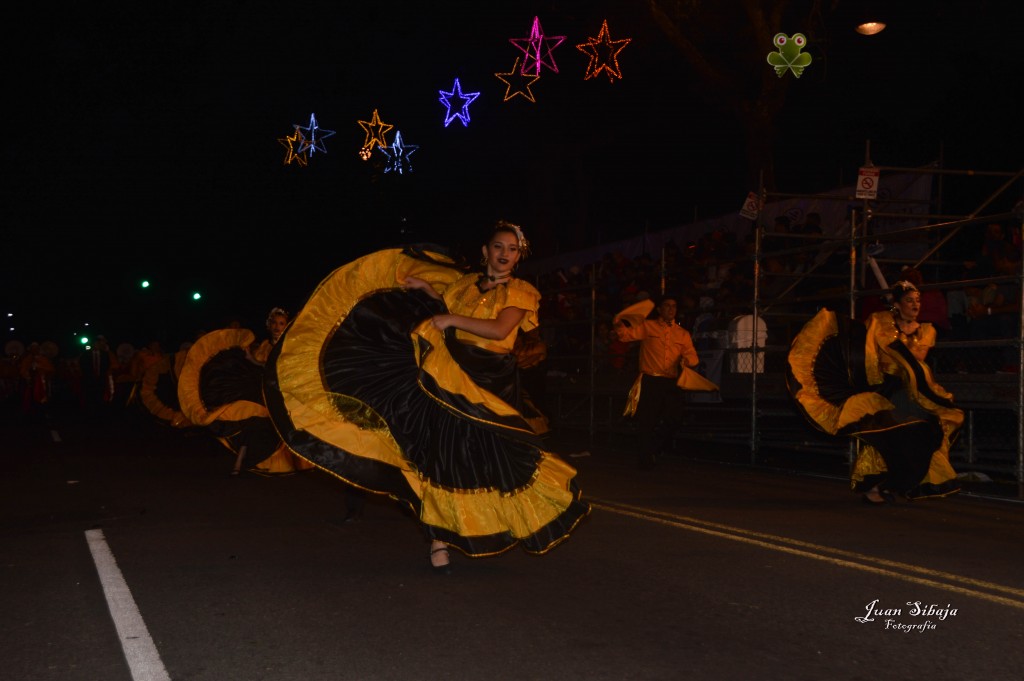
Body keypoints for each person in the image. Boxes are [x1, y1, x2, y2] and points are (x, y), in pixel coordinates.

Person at [263, 221, 590, 574]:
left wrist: (449, 318)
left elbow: (499, 329)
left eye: (512, 249)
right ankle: (439, 540)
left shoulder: (521, 291)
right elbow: (446, 303)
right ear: (485, 251)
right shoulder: (464, 283)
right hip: (446, 373)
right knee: (443, 455)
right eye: (498, 247)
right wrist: (427, 290)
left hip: (490, 382)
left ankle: (492, 521)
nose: (504, 254)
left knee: (492, 461)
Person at [787, 280, 963, 504]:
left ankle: (895, 484)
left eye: (918, 300)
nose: (915, 305)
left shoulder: (926, 330)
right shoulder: (880, 322)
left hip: (917, 390)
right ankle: (875, 487)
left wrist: (897, 346)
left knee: (925, 431)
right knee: (887, 434)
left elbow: (916, 359)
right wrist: (873, 379)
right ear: (897, 304)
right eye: (909, 301)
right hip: (887, 387)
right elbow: (871, 354)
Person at [613, 295, 717, 469]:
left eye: (674, 306)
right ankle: (646, 458)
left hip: (670, 381)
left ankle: (651, 449)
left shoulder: (682, 333)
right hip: (650, 379)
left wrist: (687, 361)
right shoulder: (648, 326)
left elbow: (693, 357)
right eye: (667, 306)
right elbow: (625, 335)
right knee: (647, 419)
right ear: (660, 309)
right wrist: (618, 323)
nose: (671, 309)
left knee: (674, 418)